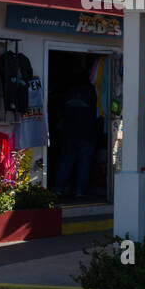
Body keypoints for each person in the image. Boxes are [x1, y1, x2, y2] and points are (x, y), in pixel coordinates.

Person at [53, 70, 99, 198]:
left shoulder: (68, 93)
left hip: (69, 133)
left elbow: (60, 113)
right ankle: (80, 191)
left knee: (66, 162)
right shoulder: (92, 93)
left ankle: (58, 188)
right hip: (87, 133)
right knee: (84, 164)